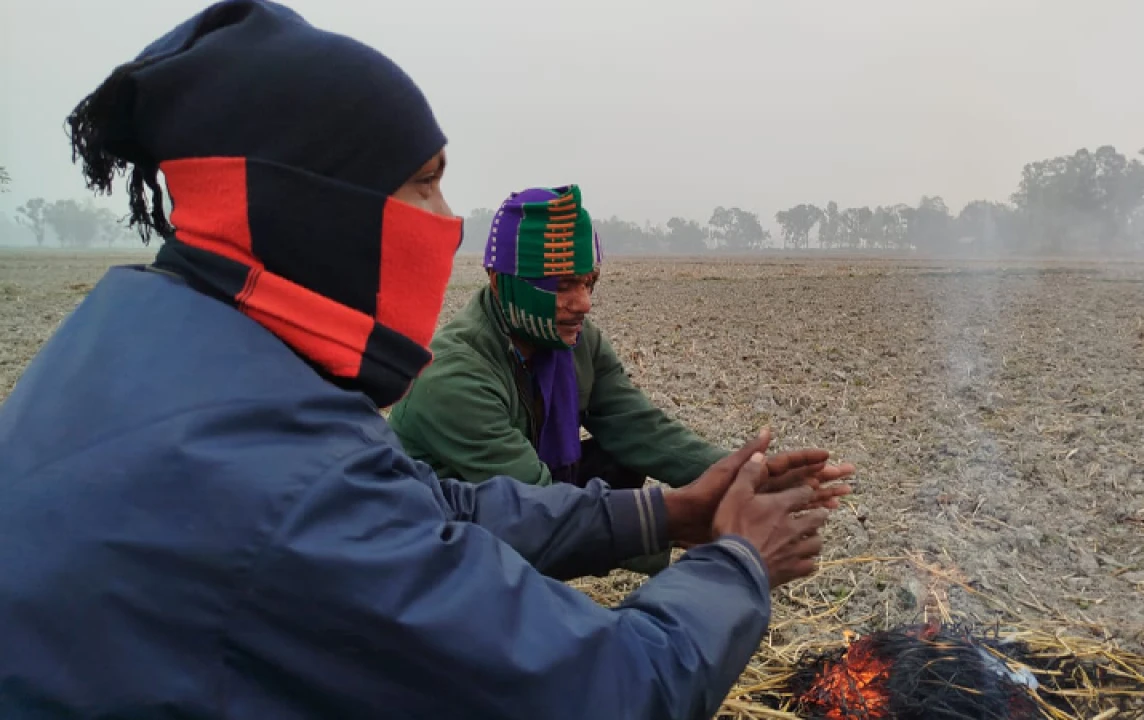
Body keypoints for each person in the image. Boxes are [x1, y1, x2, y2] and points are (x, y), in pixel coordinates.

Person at [0, 2, 853, 719]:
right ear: (319, 211)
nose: (443, 220)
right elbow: (610, 689)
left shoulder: (163, 341)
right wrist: (737, 562)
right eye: (423, 182)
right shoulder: (308, 467)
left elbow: (429, 501)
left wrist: (671, 511)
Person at [387, 185, 807, 574]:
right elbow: (533, 499)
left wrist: (748, 477)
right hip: (437, 543)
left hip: (521, 498)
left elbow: (639, 427)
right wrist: (675, 527)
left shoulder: (575, 341)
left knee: (624, 456)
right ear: (501, 282)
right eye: (564, 286)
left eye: (589, 283)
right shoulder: (454, 374)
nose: (583, 303)